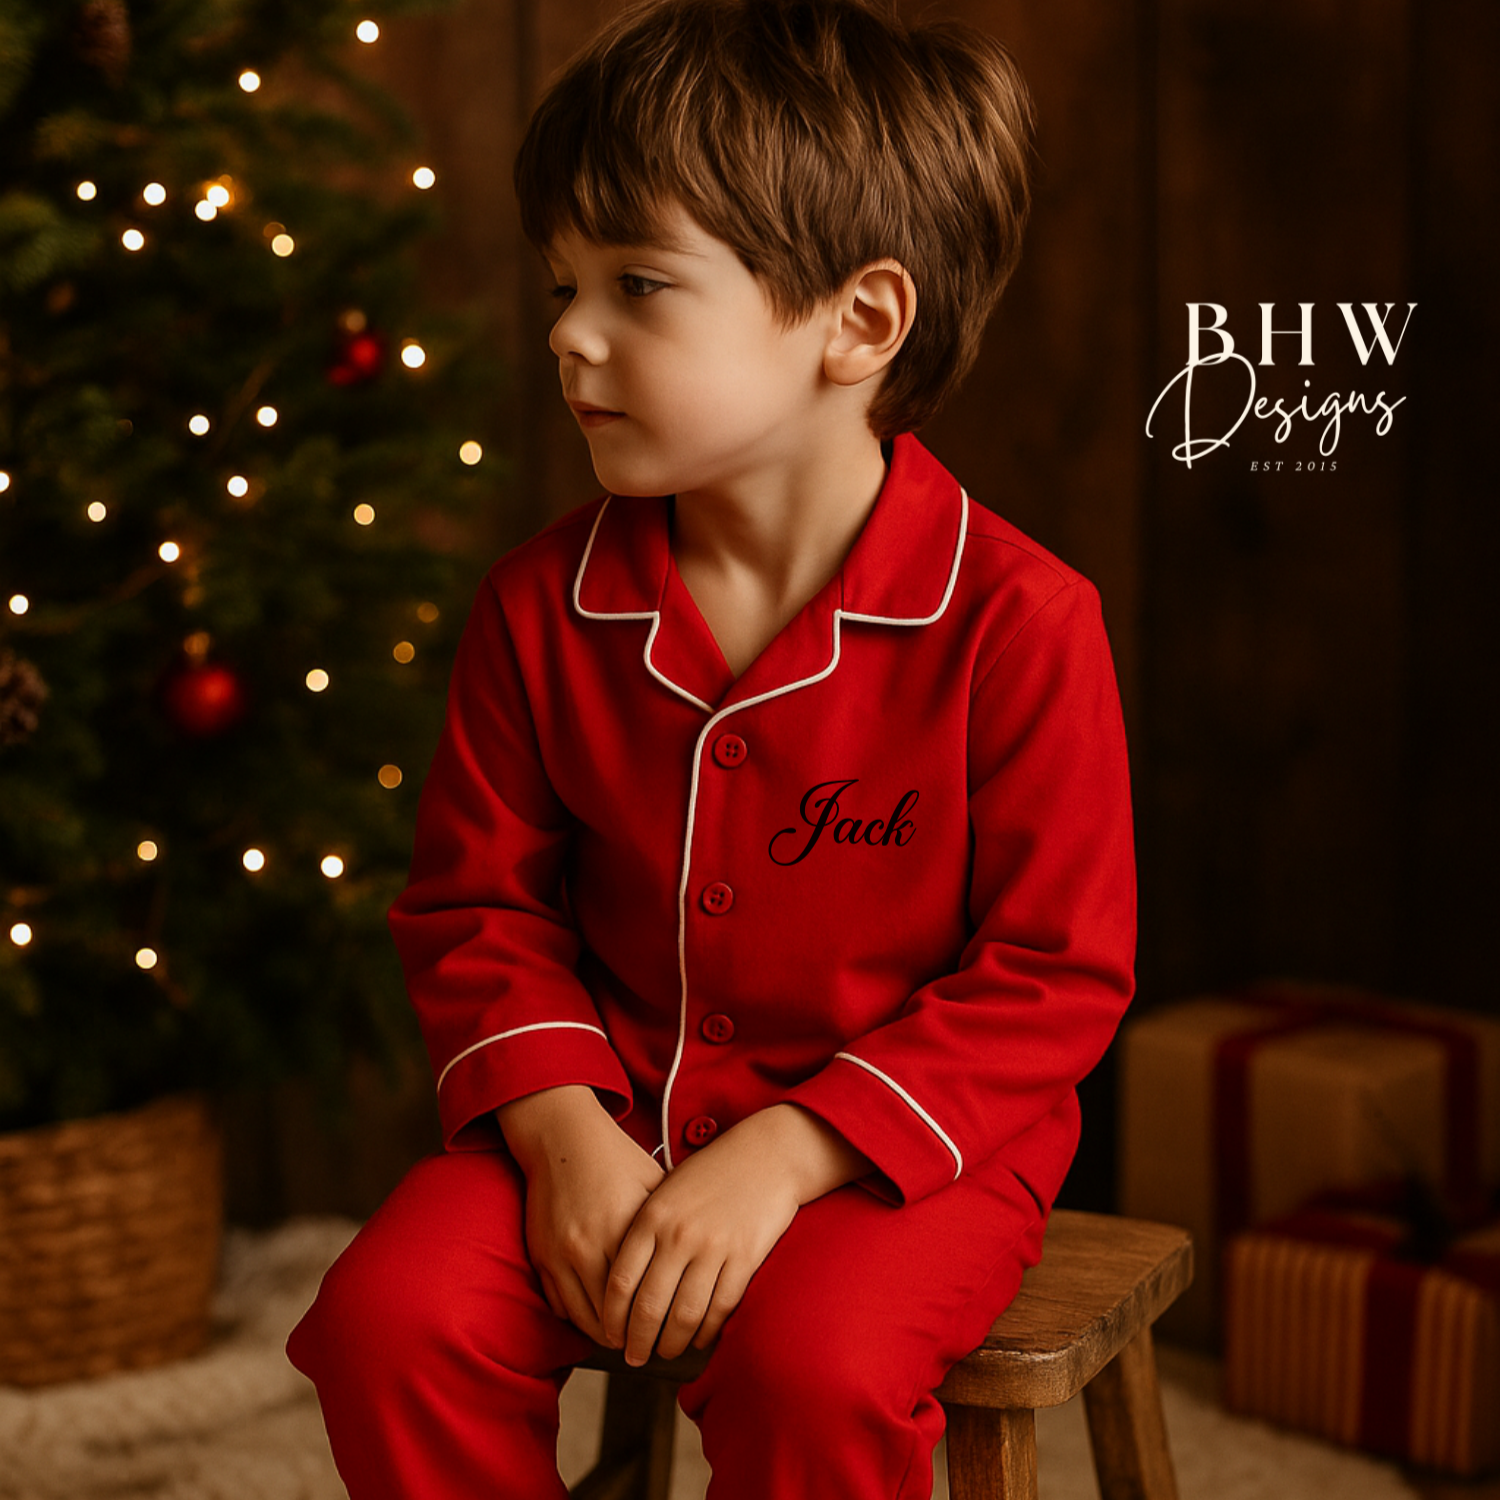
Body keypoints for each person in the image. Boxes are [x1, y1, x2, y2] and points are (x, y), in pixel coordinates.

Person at [287, 2, 1136, 1496]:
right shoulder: (539, 608)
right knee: (389, 1320)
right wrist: (559, 1135)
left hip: (906, 1158)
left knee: (815, 1368)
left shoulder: (1022, 622)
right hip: (603, 1119)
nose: (567, 330)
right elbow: (477, 909)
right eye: (564, 283)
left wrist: (793, 1154)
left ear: (857, 323)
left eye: (639, 284)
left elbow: (1053, 977)